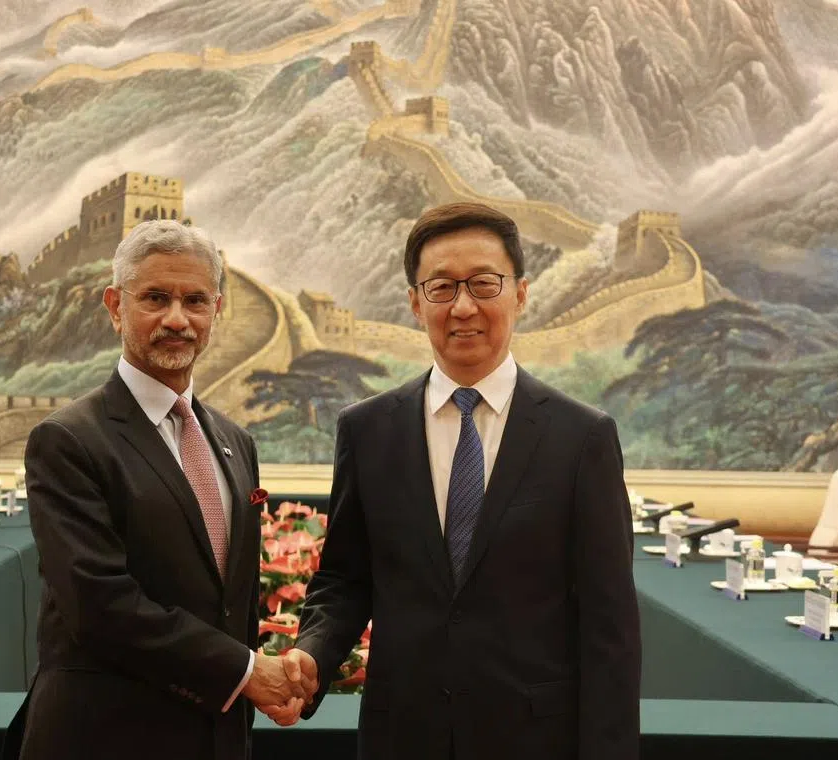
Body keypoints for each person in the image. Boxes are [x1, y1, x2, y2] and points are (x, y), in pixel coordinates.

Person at [274, 202, 641, 759]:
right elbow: (346, 579)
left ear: (519, 293)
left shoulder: (582, 438)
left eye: (484, 284)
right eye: (442, 287)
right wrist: (313, 654)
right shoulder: (368, 431)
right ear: (415, 304)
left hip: (534, 740)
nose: (463, 305)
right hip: (403, 736)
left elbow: (608, 626)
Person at [5, 220, 305, 760]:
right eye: (155, 298)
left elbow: (227, 602)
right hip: (104, 738)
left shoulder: (235, 443)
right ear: (116, 306)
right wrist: (246, 671)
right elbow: (98, 606)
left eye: (194, 300)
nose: (176, 318)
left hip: (216, 739)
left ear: (216, 310)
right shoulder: (68, 440)